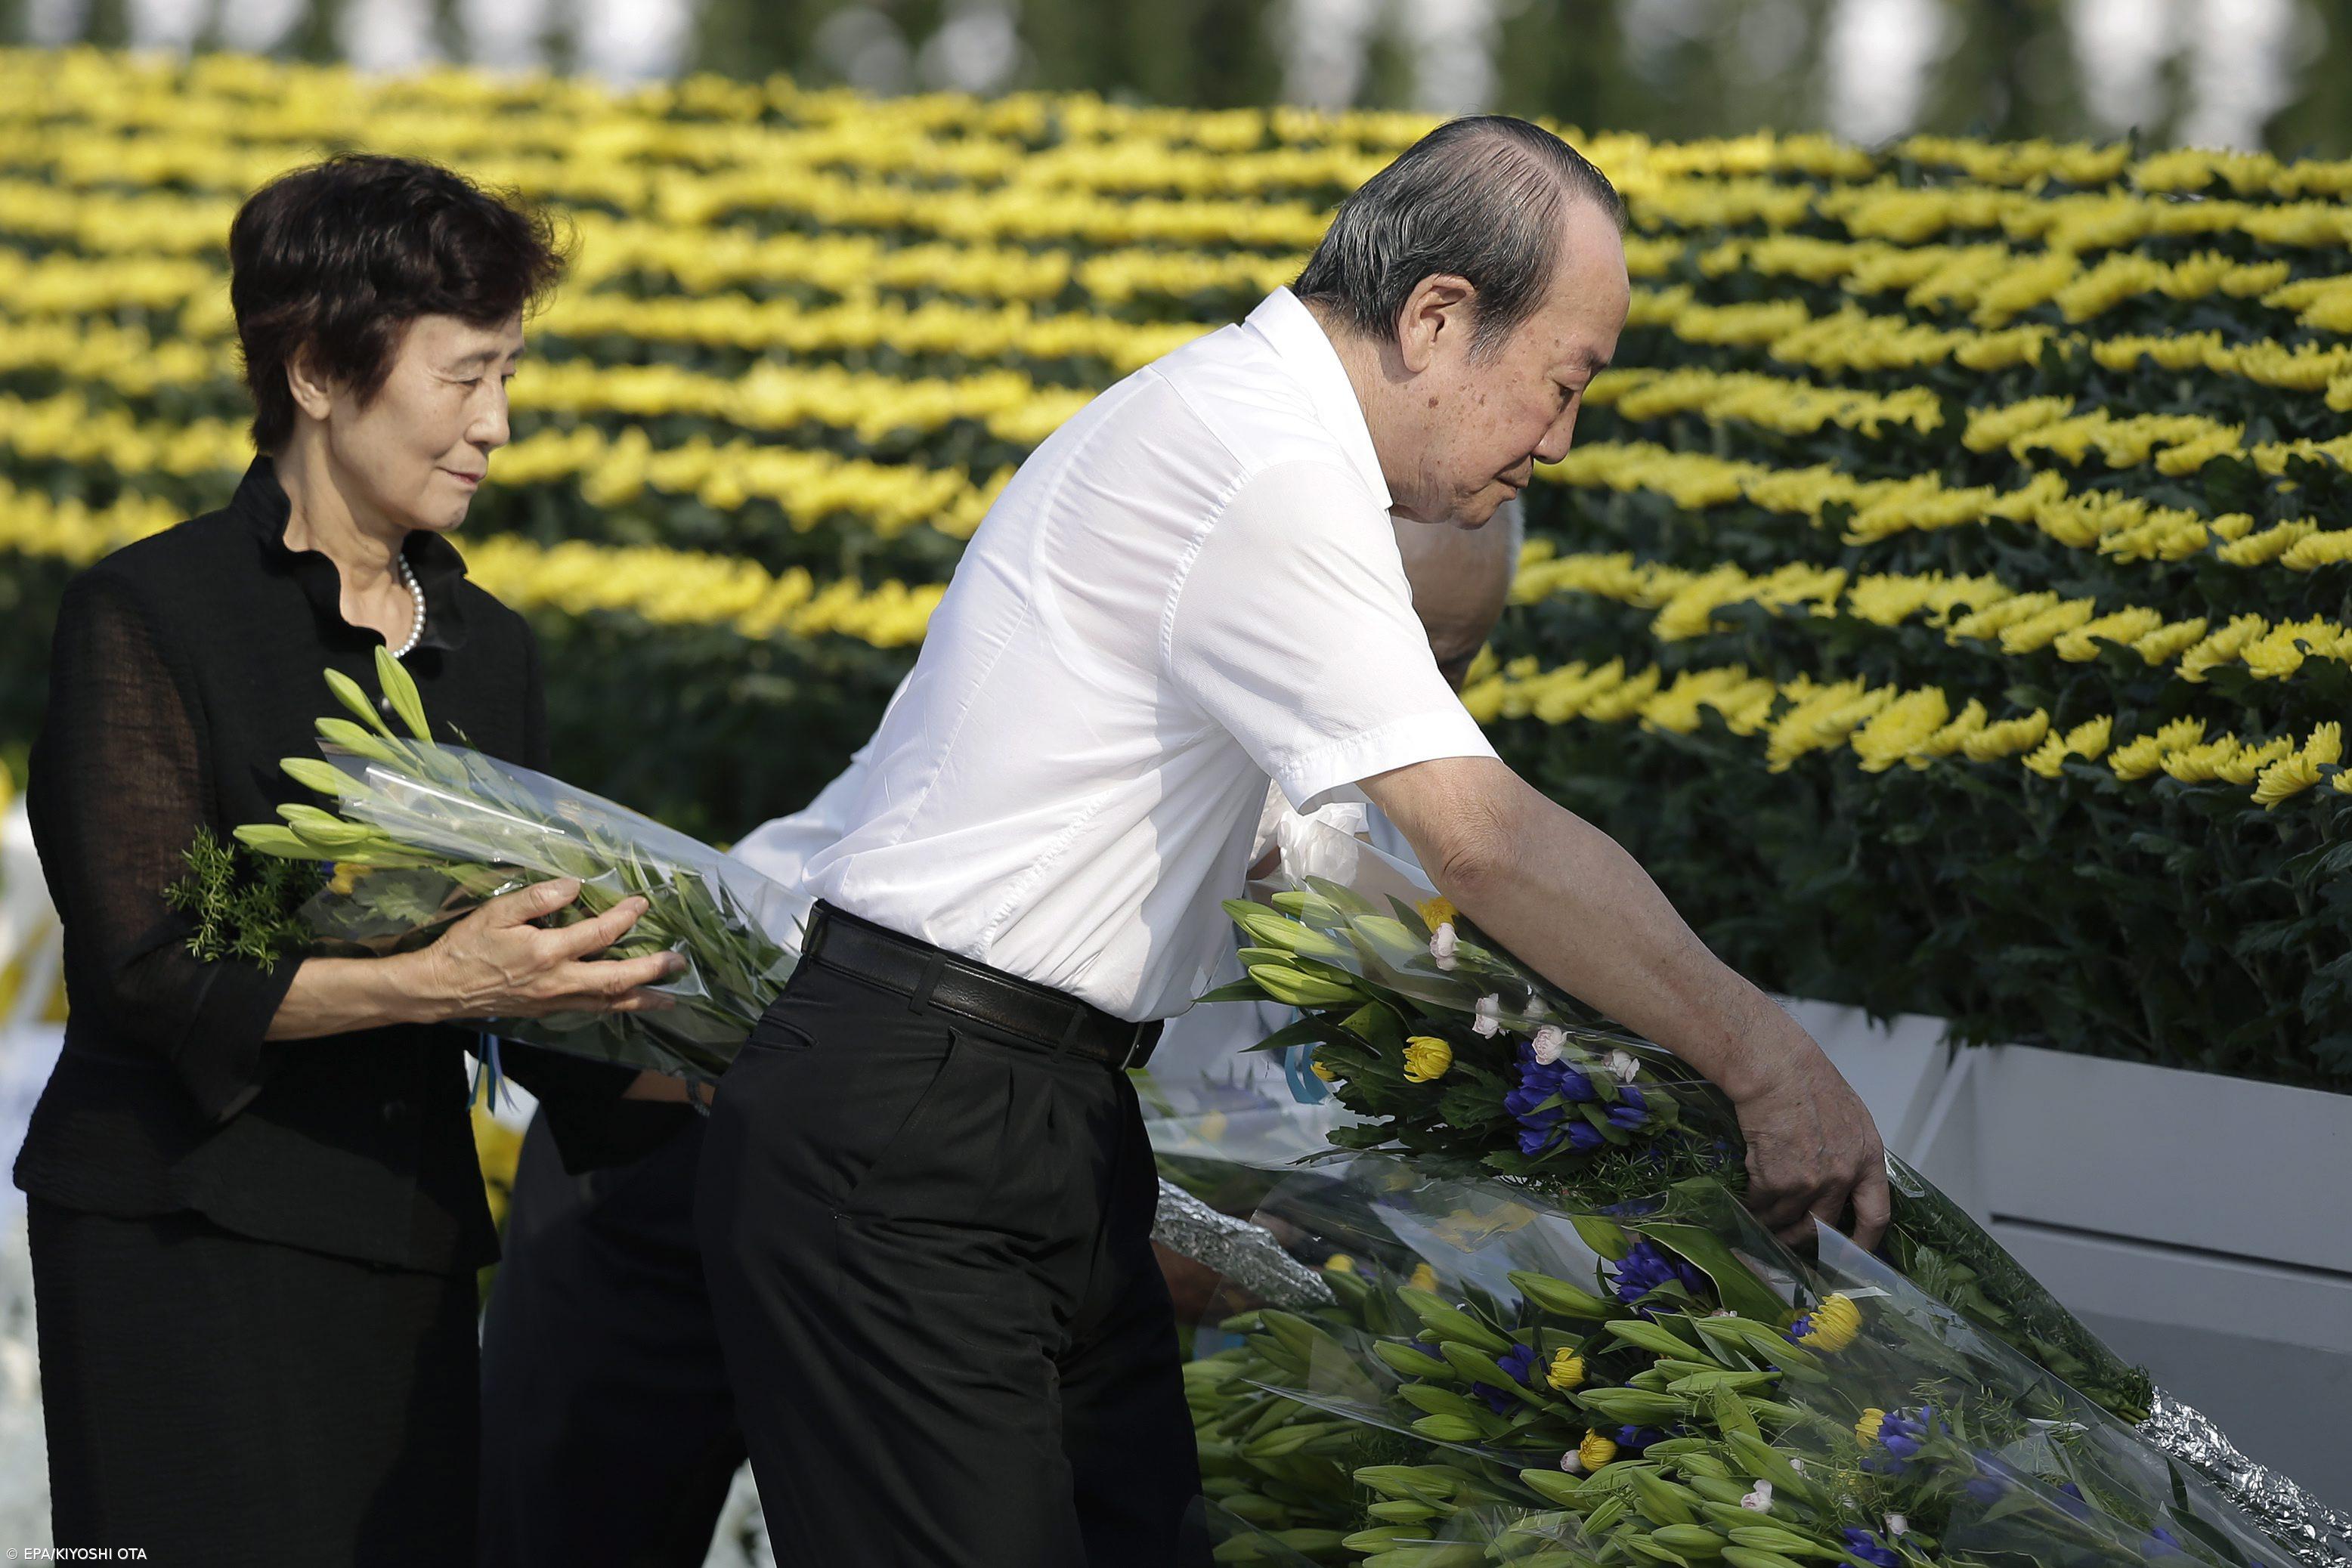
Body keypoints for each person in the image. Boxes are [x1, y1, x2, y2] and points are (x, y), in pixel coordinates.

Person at [695, 114, 1886, 1568]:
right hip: (921, 1120)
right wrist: (1765, 1061)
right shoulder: (1262, 463)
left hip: (1024, 1117)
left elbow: (1321, 870)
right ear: (1438, 317)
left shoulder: (1245, 438)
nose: (1560, 442)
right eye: (1563, 384)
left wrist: (1604, 1065)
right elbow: (1484, 843)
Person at [473, 506, 1520, 1567]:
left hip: (965, 1182)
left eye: (1455, 659)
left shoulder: (1394, 826)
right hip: (702, 1127)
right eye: (1396, 643)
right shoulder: (1110, 713)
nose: (1419, 691)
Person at [15, 153, 692, 1559]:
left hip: (403, 1243)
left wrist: (729, 1036)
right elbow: (148, 972)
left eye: (510, 375)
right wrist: (441, 985)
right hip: (178, 1234)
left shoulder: (485, 647)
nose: (498, 425)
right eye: (465, 377)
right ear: (319, 370)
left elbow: (532, 988)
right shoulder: (151, 610)